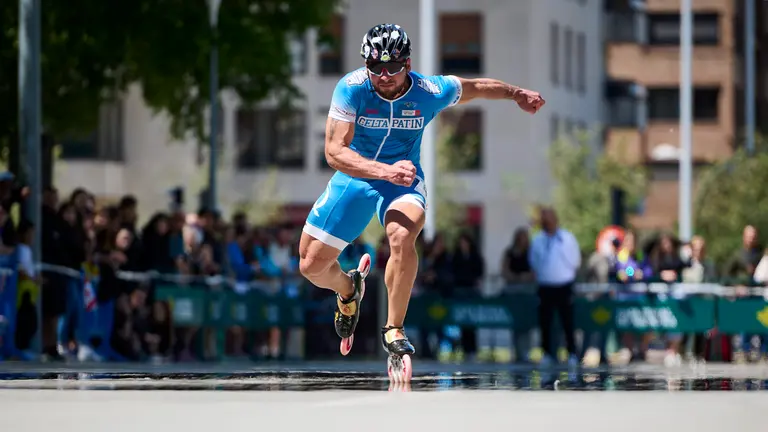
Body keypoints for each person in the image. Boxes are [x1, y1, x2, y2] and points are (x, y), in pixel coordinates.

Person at [298, 23, 545, 376]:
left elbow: (475, 88)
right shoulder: (351, 89)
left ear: (408, 64)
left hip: (404, 181)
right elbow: (334, 152)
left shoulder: (430, 90)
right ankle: (349, 289)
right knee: (310, 265)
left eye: (393, 68)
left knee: (403, 234)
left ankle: (394, 328)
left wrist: (517, 93)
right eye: (375, 67)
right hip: (357, 176)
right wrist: (383, 171)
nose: (384, 76)